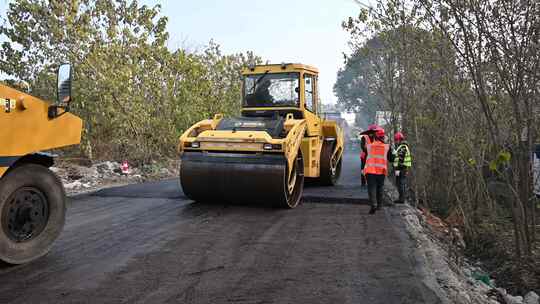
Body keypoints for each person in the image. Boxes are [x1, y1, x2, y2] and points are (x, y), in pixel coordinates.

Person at [364, 127, 394, 214]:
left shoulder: (369, 146)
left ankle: (373, 203)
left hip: (370, 170)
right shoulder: (387, 147)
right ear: (383, 137)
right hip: (381, 171)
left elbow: (365, 152)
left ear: (375, 137)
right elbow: (391, 159)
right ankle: (379, 205)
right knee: (379, 188)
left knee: (372, 188)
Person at [393, 132, 412, 204]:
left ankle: (401, 199)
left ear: (399, 139)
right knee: (401, 183)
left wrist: (397, 169)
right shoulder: (402, 146)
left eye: (396, 140)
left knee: (400, 183)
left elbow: (401, 159)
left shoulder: (403, 147)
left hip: (401, 168)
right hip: (403, 168)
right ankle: (401, 198)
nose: (395, 141)